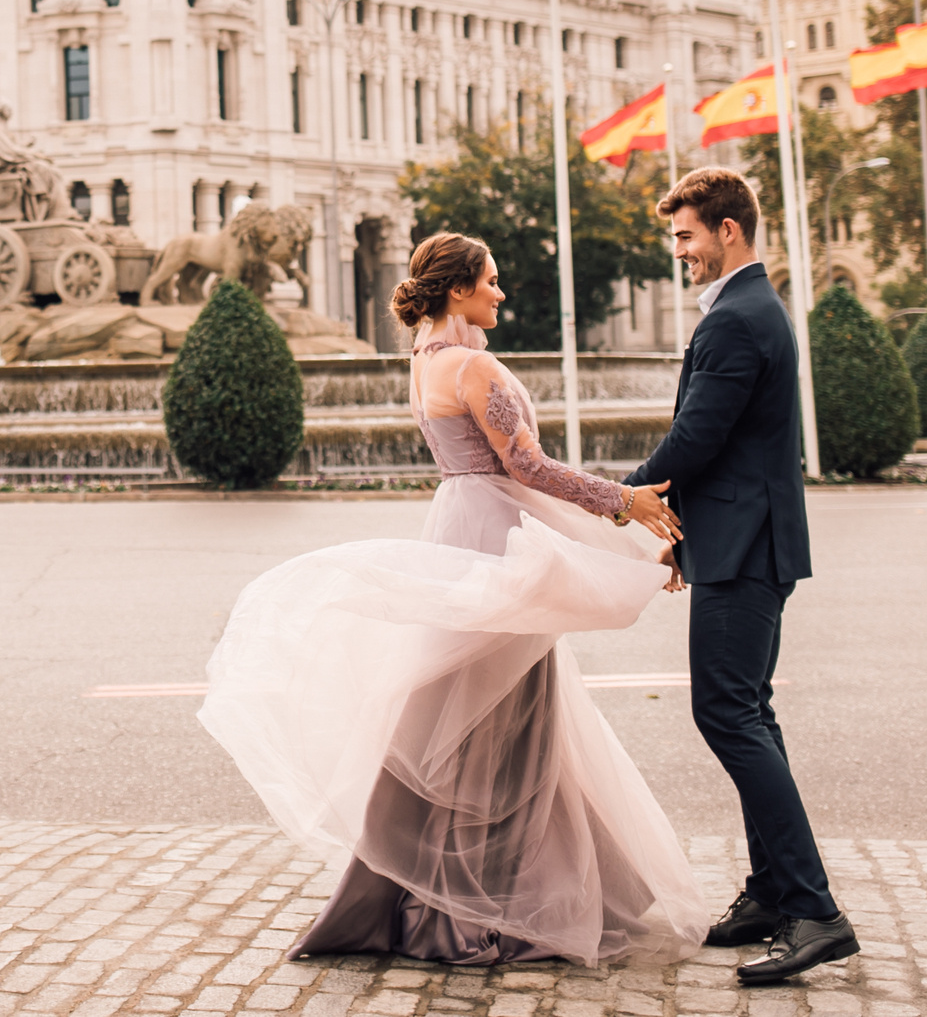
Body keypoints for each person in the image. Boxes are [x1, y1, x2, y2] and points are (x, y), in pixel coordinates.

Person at [201, 231, 705, 967]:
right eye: (492, 280)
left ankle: (427, 891)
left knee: (468, 715)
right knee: (502, 724)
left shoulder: (424, 360)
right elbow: (525, 465)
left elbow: (496, 472)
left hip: (463, 526)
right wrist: (622, 502)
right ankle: (485, 901)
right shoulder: (472, 365)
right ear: (459, 287)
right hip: (496, 539)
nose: (502, 291)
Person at [620, 168, 856, 985]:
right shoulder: (749, 308)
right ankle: (768, 891)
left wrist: (629, 496)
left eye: (685, 235)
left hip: (746, 548)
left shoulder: (738, 317)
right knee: (749, 710)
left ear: (728, 228)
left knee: (727, 712)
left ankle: (815, 910)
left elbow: (698, 435)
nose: (678, 250)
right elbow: (725, 441)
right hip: (743, 539)